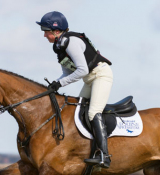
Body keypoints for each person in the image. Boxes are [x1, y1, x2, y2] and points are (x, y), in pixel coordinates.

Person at [36, 11, 113, 168]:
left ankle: (104, 156)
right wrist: (54, 84)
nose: (44, 35)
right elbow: (67, 73)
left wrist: (61, 83)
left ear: (56, 31)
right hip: (90, 79)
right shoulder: (59, 46)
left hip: (101, 75)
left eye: (45, 31)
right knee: (77, 111)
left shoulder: (71, 42)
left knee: (92, 112)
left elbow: (83, 70)